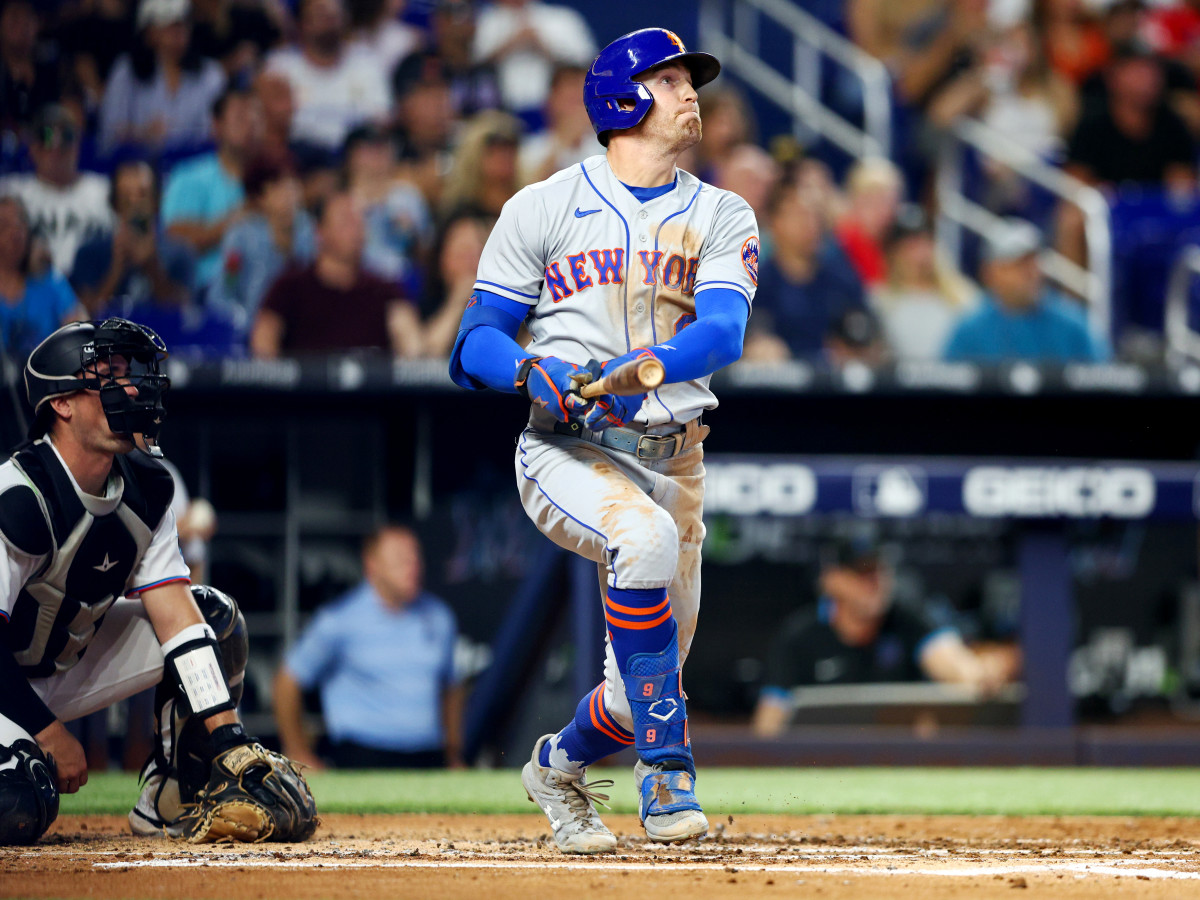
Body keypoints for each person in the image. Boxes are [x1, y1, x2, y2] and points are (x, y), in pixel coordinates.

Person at [449, 28, 757, 853]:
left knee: (635, 692)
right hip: (567, 449)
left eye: (691, 79)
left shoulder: (721, 212)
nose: (691, 91)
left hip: (675, 455)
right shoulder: (542, 206)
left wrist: (644, 365)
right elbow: (472, 342)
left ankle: (555, 766)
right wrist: (525, 372)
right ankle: (668, 776)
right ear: (621, 97)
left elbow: (723, 332)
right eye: (669, 78)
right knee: (641, 537)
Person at [0, 317, 315, 845]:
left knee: (215, 619)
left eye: (128, 372)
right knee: (17, 805)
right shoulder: (18, 496)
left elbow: (178, 616)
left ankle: (172, 794)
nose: (128, 386)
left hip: (63, 665)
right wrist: (46, 731)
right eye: (107, 374)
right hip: (8, 686)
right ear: (62, 403)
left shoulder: (147, 486)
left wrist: (228, 739)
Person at [752, 533, 1013, 738]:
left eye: (879, 570)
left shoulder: (906, 618)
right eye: (861, 572)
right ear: (832, 580)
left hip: (895, 766)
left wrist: (980, 672)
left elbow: (955, 666)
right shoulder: (799, 636)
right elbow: (768, 725)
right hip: (820, 767)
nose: (874, 582)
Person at [272, 525, 463, 769]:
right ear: (372, 566)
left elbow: (451, 687)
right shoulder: (339, 620)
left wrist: (454, 752)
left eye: (415, 557)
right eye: (400, 559)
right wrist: (299, 751)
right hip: (364, 757)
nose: (412, 566)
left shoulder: (439, 616)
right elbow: (286, 683)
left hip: (428, 757)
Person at [250, 190, 422, 357]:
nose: (356, 229)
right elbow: (263, 339)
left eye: (359, 221)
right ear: (320, 231)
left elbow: (411, 343)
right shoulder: (290, 286)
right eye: (346, 221)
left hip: (372, 384)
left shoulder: (385, 290)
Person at [942, 217, 1109, 363]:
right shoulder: (969, 330)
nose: (1030, 272)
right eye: (1018, 264)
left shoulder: (1073, 325)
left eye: (1033, 261)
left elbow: (1104, 379)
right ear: (990, 272)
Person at [742, 180, 866, 363]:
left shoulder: (843, 280)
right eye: (800, 215)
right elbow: (749, 336)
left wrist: (858, 348)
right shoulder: (754, 283)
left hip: (832, 384)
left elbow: (865, 332)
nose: (810, 225)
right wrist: (756, 345)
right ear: (775, 223)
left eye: (816, 217)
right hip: (774, 384)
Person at [160, 85, 262, 294]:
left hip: (261, 289)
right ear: (217, 126)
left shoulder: (271, 180)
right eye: (240, 117)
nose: (250, 124)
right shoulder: (190, 177)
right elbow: (174, 244)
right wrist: (234, 221)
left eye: (256, 118)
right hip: (203, 291)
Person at [98, 0, 227, 156]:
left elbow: (217, 134)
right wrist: (142, 133)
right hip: (137, 166)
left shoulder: (211, 74)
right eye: (169, 25)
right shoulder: (125, 71)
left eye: (183, 24)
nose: (179, 32)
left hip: (194, 167)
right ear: (149, 32)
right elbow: (107, 136)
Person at [70, 159, 194, 316]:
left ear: (156, 201)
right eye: (126, 198)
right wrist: (116, 269)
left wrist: (152, 266)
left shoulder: (180, 252)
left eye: (142, 195)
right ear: (114, 204)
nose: (135, 204)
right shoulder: (90, 253)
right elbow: (84, 319)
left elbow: (182, 316)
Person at [264, 0, 390, 153]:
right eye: (319, 14)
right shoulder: (279, 66)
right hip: (295, 156)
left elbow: (382, 120)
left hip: (354, 156)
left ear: (346, 19)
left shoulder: (367, 62)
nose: (327, 20)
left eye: (333, 14)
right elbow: (268, 123)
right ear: (301, 22)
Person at [0, 104, 112, 277]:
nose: (56, 145)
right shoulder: (10, 192)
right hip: (31, 289)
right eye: (47, 136)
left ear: (78, 144)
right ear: (33, 148)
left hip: (96, 292)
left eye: (67, 136)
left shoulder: (106, 191)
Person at [209, 154, 316, 332]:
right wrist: (243, 323)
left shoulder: (310, 230)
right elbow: (223, 292)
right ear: (260, 197)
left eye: (293, 185)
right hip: (252, 329)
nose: (289, 195)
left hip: (305, 330)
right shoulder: (241, 237)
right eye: (278, 187)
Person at [471, 0, 595, 124]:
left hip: (553, 110)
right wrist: (512, 43)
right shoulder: (488, 20)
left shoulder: (561, 18)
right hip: (503, 109)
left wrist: (544, 47)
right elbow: (473, 62)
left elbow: (586, 62)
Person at [0, 195, 85, 359]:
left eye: (20, 224)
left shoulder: (49, 279)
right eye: (4, 226)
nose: (14, 233)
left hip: (46, 376)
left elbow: (80, 329)